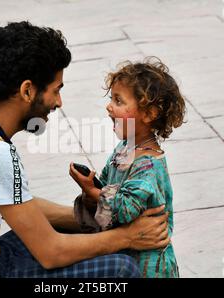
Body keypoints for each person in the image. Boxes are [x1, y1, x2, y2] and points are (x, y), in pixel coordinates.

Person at [0, 21, 170, 278]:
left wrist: (89, 217)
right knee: (122, 269)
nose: (58, 103)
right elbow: (51, 252)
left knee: (86, 233)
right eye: (56, 91)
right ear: (27, 90)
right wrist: (127, 236)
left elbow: (24, 208)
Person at [70, 58, 185, 277]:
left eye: (119, 101)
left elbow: (125, 208)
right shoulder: (125, 148)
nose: (109, 106)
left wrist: (95, 192)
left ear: (149, 114)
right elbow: (107, 182)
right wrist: (91, 188)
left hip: (149, 267)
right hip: (127, 254)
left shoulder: (148, 164)